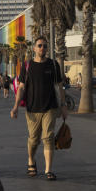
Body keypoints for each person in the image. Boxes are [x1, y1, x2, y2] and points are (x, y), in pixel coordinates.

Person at [10, 36, 67, 181]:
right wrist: (15, 106)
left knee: (48, 137)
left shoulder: (53, 65)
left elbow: (60, 87)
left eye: (45, 46)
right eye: (40, 45)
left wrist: (64, 105)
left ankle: (48, 170)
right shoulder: (27, 65)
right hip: (32, 108)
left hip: (50, 107)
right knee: (34, 140)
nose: (42, 48)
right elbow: (21, 87)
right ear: (34, 48)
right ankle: (31, 160)